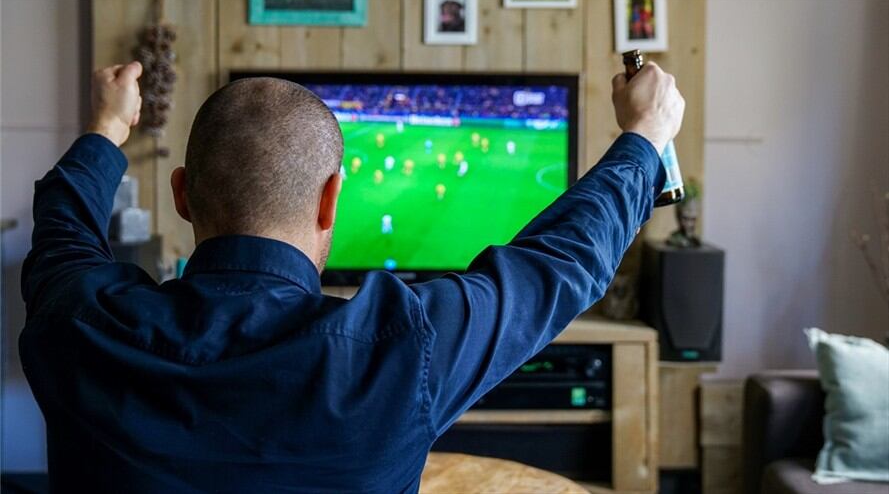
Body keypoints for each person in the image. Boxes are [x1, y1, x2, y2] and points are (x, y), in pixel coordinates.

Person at [20, 60, 683, 493]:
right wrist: (646, 132)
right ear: (331, 199)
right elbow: (560, 261)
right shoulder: (404, 345)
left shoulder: (79, 318)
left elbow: (61, 223)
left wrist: (107, 125)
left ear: (182, 195)